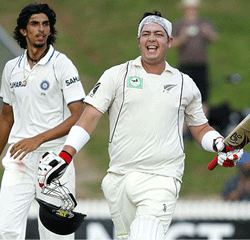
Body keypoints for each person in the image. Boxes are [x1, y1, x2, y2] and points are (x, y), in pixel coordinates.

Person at [38, 11, 243, 240]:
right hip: (119, 179)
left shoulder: (185, 84)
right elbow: (89, 117)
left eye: (159, 34)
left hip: (162, 178)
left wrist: (218, 144)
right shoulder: (115, 76)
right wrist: (66, 155)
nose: (152, 39)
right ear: (139, 41)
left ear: (170, 41)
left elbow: (200, 128)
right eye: (146, 34)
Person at [0, 3, 85, 240]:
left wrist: (38, 139)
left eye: (45, 24)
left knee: (55, 235)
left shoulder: (62, 64)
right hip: (20, 159)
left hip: (55, 161)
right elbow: (6, 117)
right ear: (23, 31)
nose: (42, 29)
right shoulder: (10, 69)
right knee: (5, 230)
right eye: (35, 24)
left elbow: (79, 114)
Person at [172, 0, 219, 117]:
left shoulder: (204, 23)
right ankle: (182, 129)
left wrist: (207, 32)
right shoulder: (179, 25)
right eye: (189, 8)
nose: (191, 11)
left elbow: (215, 38)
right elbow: (171, 43)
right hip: (185, 65)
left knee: (203, 97)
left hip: (201, 65)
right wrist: (182, 38)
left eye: (193, 8)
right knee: (183, 97)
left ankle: (203, 127)